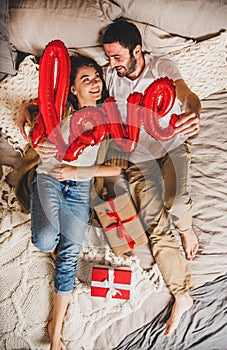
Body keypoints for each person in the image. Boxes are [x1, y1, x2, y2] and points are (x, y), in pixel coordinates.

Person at [18, 20, 201, 336]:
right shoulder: (106, 86)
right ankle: (183, 294)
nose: (111, 66)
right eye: (108, 59)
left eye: (117, 58)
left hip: (165, 146)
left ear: (137, 51)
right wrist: (28, 109)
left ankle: (186, 230)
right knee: (149, 222)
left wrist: (193, 113)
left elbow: (188, 97)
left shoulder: (161, 67)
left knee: (172, 202)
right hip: (132, 157)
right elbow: (59, 99)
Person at [28, 54, 121, 350]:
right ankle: (60, 253)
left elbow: (117, 169)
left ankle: (56, 333)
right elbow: (30, 113)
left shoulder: (109, 118)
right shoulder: (61, 111)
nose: (94, 83)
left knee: (68, 256)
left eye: (96, 78)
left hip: (79, 188)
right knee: (44, 240)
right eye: (86, 79)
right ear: (72, 90)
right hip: (48, 179)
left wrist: (76, 171)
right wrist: (32, 132)